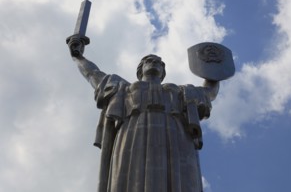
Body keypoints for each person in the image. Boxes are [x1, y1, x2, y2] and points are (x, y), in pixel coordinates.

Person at [67, 36, 219, 192]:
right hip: (133, 137)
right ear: (140, 69)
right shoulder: (122, 88)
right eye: (149, 60)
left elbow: (209, 92)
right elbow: (93, 74)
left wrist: (214, 71)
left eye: (159, 62)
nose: (154, 62)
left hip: (174, 141)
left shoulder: (181, 92)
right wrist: (78, 57)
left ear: (163, 72)